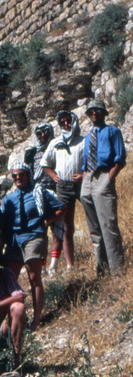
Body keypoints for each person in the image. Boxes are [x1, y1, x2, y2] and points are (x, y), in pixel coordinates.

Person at [2, 163, 63, 330]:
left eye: (21, 174)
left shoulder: (39, 192)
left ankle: (36, 320)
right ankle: (11, 319)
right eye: (14, 176)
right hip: (15, 240)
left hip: (34, 235)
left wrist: (47, 222)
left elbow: (60, 208)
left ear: (28, 175)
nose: (18, 178)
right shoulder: (9, 198)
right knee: (10, 278)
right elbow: (4, 220)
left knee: (34, 277)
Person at [79, 99, 126, 276]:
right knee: (94, 229)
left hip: (104, 175)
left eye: (98, 110)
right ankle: (101, 269)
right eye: (91, 111)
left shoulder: (113, 132)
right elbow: (85, 162)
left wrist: (109, 178)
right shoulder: (87, 138)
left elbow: (120, 159)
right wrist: (85, 179)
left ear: (104, 113)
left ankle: (117, 271)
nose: (94, 113)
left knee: (108, 225)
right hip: (88, 180)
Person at [41, 110, 84, 272]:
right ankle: (70, 266)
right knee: (66, 226)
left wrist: (82, 175)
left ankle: (102, 260)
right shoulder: (55, 142)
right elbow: (45, 163)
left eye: (69, 120)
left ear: (75, 121)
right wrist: (54, 176)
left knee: (94, 218)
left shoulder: (83, 141)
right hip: (63, 187)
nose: (66, 124)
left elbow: (91, 162)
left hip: (82, 185)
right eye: (62, 122)